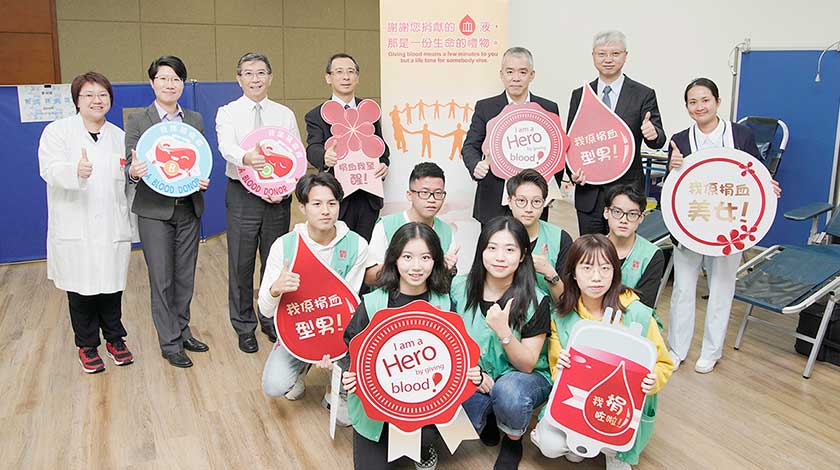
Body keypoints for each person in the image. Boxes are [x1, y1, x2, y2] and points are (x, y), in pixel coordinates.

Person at [666, 77, 781, 374]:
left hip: (729, 228)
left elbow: (756, 174)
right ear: (686, 107)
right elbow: (672, 189)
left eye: (705, 100)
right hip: (691, 226)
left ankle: (711, 351)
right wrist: (672, 167)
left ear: (717, 102)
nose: (699, 107)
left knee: (721, 288)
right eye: (692, 102)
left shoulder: (741, 135)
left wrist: (768, 186)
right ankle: (676, 349)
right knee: (682, 289)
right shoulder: (680, 140)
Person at [530, 234, 673, 470]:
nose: (596, 277)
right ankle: (577, 443)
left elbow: (663, 364)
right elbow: (556, 371)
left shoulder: (637, 312)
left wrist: (652, 379)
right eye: (587, 268)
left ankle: (612, 452)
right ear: (573, 273)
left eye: (605, 268)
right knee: (549, 444)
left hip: (618, 408)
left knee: (616, 442)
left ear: (615, 272)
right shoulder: (562, 316)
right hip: (579, 401)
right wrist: (563, 367)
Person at [343, 223, 478, 470]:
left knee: (425, 435)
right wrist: (351, 374)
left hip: (424, 404)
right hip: (377, 408)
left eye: (425, 257)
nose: (416, 267)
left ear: (435, 261)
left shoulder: (443, 303)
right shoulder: (373, 303)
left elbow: (457, 353)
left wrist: (471, 372)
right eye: (407, 257)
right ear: (394, 259)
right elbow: (351, 344)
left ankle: (424, 446)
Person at [38, 71, 134, 373]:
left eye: (103, 95)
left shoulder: (119, 137)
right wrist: (74, 171)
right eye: (89, 95)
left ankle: (115, 339)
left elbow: (128, 182)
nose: (97, 100)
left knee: (111, 287)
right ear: (77, 100)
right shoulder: (58, 132)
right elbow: (48, 169)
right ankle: (87, 345)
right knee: (81, 290)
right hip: (76, 226)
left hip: (111, 227)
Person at [125, 56, 210, 369]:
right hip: (153, 211)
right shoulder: (138, 120)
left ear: (183, 84)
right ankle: (170, 342)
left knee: (184, 277)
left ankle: (183, 330)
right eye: (163, 78)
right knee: (161, 278)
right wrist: (133, 171)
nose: (169, 84)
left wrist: (201, 179)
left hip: (188, 207)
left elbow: (199, 161)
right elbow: (129, 165)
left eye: (176, 79)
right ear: (152, 83)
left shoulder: (194, 120)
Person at [258, 172, 372, 403]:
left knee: (349, 394)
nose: (325, 211)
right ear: (302, 207)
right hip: (299, 328)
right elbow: (265, 310)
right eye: (317, 204)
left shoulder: (356, 245)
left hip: (338, 328)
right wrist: (275, 289)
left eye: (332, 203)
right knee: (274, 385)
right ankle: (300, 367)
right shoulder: (285, 245)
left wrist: (331, 348)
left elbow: (347, 306)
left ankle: (335, 385)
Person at [451, 216, 552, 469]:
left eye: (509, 250)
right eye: (492, 248)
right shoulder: (459, 286)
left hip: (521, 377)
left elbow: (527, 364)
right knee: (455, 419)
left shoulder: (536, 299)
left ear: (523, 255)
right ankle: (491, 414)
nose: (499, 257)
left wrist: (504, 333)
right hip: (476, 373)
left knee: (509, 392)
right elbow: (449, 341)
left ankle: (513, 439)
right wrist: (473, 373)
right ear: (481, 250)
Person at [216, 52, 299, 353]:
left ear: (270, 77)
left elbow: (295, 155)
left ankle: (270, 318)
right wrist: (248, 159)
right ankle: (243, 325)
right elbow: (226, 146)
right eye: (248, 73)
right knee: (241, 263)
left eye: (261, 73)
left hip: (278, 198)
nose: (255, 79)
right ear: (239, 79)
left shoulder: (284, 114)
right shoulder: (228, 112)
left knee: (274, 261)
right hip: (243, 195)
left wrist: (285, 188)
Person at [566, 31, 666, 235]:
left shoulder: (643, 94)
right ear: (593, 56)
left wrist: (653, 133)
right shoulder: (581, 95)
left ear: (625, 56)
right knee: (591, 248)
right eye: (602, 54)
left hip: (626, 192)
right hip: (589, 193)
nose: (608, 59)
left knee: (623, 249)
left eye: (615, 53)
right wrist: (573, 173)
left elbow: (658, 140)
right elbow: (572, 143)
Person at [462, 47, 559, 226]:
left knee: (531, 244)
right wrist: (476, 165)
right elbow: (470, 146)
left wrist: (551, 189)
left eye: (522, 72)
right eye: (510, 72)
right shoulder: (485, 107)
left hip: (532, 202)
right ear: (502, 74)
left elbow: (557, 150)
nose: (516, 78)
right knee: (493, 243)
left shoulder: (548, 108)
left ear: (532, 75)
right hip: (494, 198)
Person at [305, 53, 390, 241]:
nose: (346, 77)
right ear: (328, 78)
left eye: (351, 72)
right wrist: (324, 156)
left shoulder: (369, 109)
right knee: (338, 248)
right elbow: (312, 148)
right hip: (336, 198)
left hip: (368, 196)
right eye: (339, 72)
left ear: (357, 77)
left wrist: (384, 164)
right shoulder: (316, 115)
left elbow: (381, 148)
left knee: (367, 249)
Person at [365, 162, 457, 285]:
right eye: (424, 193)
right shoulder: (385, 225)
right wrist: (401, 266)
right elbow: (369, 277)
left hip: (431, 296)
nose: (432, 199)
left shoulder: (446, 231)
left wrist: (448, 269)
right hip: (391, 296)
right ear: (409, 195)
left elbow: (448, 280)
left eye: (438, 193)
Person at [505, 169, 573, 303]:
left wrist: (550, 274)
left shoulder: (560, 238)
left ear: (544, 203)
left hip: (548, 313)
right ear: (510, 201)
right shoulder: (496, 235)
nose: (528, 209)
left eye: (536, 202)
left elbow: (565, 302)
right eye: (521, 201)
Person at [604, 184, 665, 309]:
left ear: (641, 218)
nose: (623, 220)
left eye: (632, 214)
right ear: (606, 212)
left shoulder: (652, 255)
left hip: (632, 318)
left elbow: (644, 305)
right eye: (617, 212)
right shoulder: (592, 248)